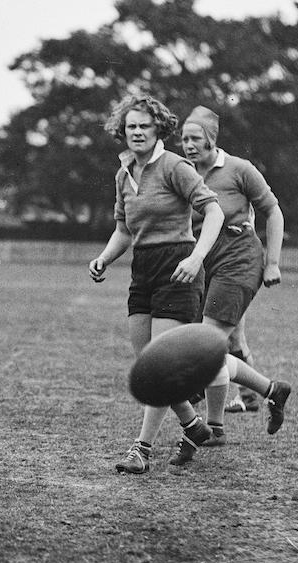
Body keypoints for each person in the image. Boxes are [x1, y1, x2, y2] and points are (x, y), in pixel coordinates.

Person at [87, 94, 224, 474]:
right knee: (148, 365)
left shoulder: (175, 166)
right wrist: (103, 258)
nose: (137, 132)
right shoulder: (124, 173)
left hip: (177, 265)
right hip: (143, 268)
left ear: (158, 129)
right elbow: (122, 229)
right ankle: (194, 425)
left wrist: (196, 257)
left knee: (161, 366)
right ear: (122, 131)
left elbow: (214, 211)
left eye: (144, 126)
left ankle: (141, 450)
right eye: (131, 126)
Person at [178, 105, 292, 443]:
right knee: (225, 343)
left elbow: (273, 211)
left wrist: (272, 262)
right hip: (203, 266)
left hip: (239, 260)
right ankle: (270, 390)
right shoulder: (182, 172)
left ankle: (213, 424)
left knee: (207, 343)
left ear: (211, 139)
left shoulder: (239, 169)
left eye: (195, 138)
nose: (188, 144)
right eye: (184, 138)